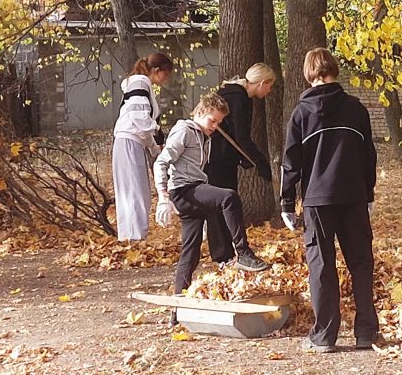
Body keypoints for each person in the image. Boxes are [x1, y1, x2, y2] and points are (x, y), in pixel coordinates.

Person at [279, 48, 379, 353]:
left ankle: (324, 336)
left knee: (321, 265)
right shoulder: (356, 109)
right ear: (334, 70)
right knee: (361, 263)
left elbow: (290, 163)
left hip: (317, 200)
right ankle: (366, 332)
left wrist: (286, 203)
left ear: (310, 74)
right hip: (353, 196)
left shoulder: (301, 114)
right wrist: (369, 192)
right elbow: (368, 156)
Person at [153, 93, 270, 296]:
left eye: (219, 122)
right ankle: (243, 253)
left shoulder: (204, 136)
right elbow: (161, 162)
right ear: (200, 112)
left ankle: (177, 307)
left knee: (191, 253)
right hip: (183, 191)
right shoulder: (184, 131)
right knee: (228, 197)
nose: (215, 126)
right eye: (212, 120)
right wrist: (162, 197)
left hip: (194, 190)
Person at [203, 63, 277, 266]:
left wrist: (243, 157)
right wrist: (260, 163)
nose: (269, 91)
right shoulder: (240, 98)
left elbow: (234, 132)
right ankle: (223, 255)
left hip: (220, 157)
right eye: (269, 86)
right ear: (262, 83)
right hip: (218, 159)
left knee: (223, 203)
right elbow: (242, 137)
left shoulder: (230, 92)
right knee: (223, 204)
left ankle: (227, 253)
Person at [112, 52, 173, 241]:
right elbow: (139, 119)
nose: (167, 78)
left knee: (134, 190)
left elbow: (141, 124)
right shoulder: (140, 83)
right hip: (129, 142)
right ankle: (135, 237)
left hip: (131, 142)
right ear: (157, 70)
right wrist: (157, 130)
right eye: (166, 73)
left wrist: (155, 149)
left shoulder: (140, 85)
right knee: (135, 191)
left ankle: (132, 236)